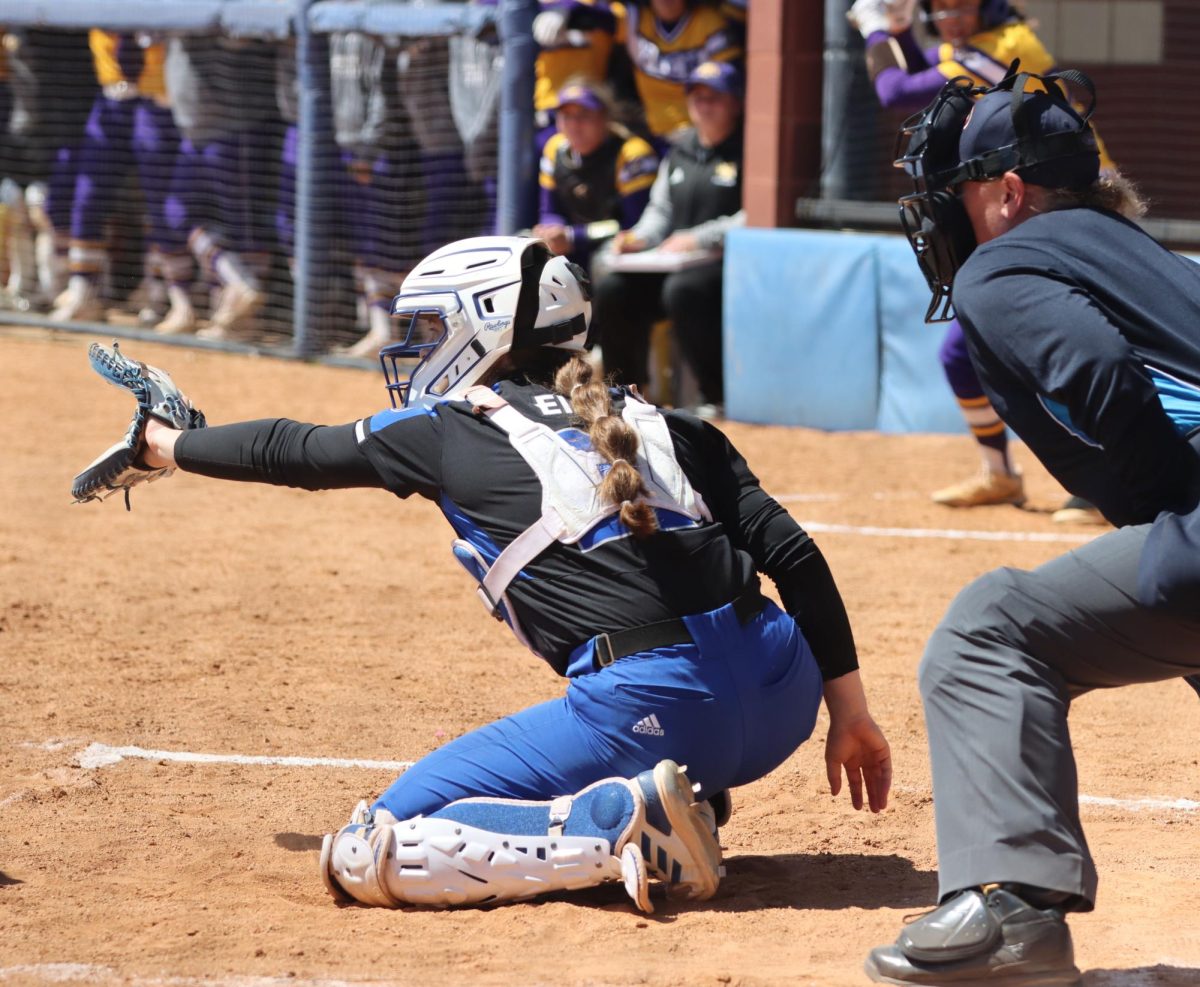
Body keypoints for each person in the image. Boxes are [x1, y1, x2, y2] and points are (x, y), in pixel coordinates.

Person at [129, 234, 891, 910]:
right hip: (785, 697)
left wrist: (162, 445)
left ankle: (618, 823)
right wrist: (850, 715)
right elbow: (797, 557)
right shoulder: (668, 422)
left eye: (434, 325)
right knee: (673, 694)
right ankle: (687, 796)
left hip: (657, 707)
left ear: (483, 324)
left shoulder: (450, 427)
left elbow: (295, 451)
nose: (421, 345)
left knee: (371, 846)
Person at [865, 67, 1200, 985]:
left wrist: (1175, 506)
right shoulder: (1145, 257)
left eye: (961, 194)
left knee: (989, 631)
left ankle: (1011, 914)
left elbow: (1098, 373)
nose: (948, 218)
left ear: (1009, 193)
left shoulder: (1004, 260)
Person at [849, 0, 1106, 519]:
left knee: (1071, 349)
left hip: (1074, 210)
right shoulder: (966, 48)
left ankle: (1107, 477)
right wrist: (904, 30)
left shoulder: (1006, 47)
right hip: (1025, 211)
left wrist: (878, 31)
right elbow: (937, 77)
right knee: (960, 354)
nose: (951, 18)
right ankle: (1000, 474)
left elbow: (896, 91)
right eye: (940, 8)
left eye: (962, 5)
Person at [592, 59, 743, 415]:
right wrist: (639, 238)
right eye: (697, 97)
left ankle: (713, 396)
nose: (704, 106)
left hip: (725, 265)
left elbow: (753, 216)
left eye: (714, 98)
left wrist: (699, 238)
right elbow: (659, 212)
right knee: (614, 288)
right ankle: (624, 394)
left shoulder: (748, 149)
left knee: (685, 291)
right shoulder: (680, 150)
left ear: (735, 103)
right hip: (670, 262)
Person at [556, 0, 742, 152]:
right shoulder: (635, 18)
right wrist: (563, 8)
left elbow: (729, 82)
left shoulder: (710, 22)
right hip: (654, 134)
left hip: (701, 133)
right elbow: (591, 16)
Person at [533, 78, 658, 270]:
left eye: (584, 115)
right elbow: (550, 211)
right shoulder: (554, 148)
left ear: (604, 117)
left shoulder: (632, 155)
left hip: (621, 246)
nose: (574, 124)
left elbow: (633, 224)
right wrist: (550, 232)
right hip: (572, 243)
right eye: (566, 116)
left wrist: (574, 236)